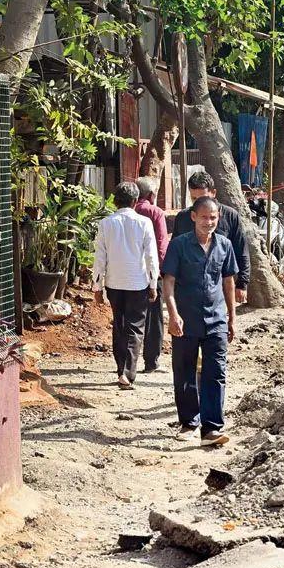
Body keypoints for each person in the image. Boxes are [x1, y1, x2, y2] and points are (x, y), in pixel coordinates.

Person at [163, 196, 237, 447]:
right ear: (194, 217)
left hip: (216, 320)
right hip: (186, 320)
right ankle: (188, 423)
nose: (209, 222)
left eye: (213, 217)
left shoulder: (225, 245)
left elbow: (228, 282)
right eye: (204, 217)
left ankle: (212, 428)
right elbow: (168, 282)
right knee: (184, 373)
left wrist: (232, 318)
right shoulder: (180, 245)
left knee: (216, 373)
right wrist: (173, 314)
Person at [93, 182, 159, 390]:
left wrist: (97, 286)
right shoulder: (144, 223)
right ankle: (128, 373)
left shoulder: (106, 223)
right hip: (137, 283)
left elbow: (99, 256)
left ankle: (121, 367)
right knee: (135, 328)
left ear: (115, 200)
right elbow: (151, 256)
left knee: (119, 325)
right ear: (134, 201)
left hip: (114, 283)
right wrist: (153, 283)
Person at [171, 172, 250, 304]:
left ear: (213, 193)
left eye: (203, 198)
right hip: (189, 288)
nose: (199, 204)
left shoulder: (230, 216)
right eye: (194, 199)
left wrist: (242, 283)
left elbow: (241, 251)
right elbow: (174, 253)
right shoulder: (183, 218)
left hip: (221, 285)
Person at [134, 176, 169, 373]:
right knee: (153, 318)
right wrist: (163, 271)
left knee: (129, 318)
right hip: (151, 273)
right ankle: (151, 362)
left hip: (128, 274)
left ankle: (126, 362)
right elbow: (161, 245)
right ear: (151, 195)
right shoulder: (155, 213)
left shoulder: (126, 212)